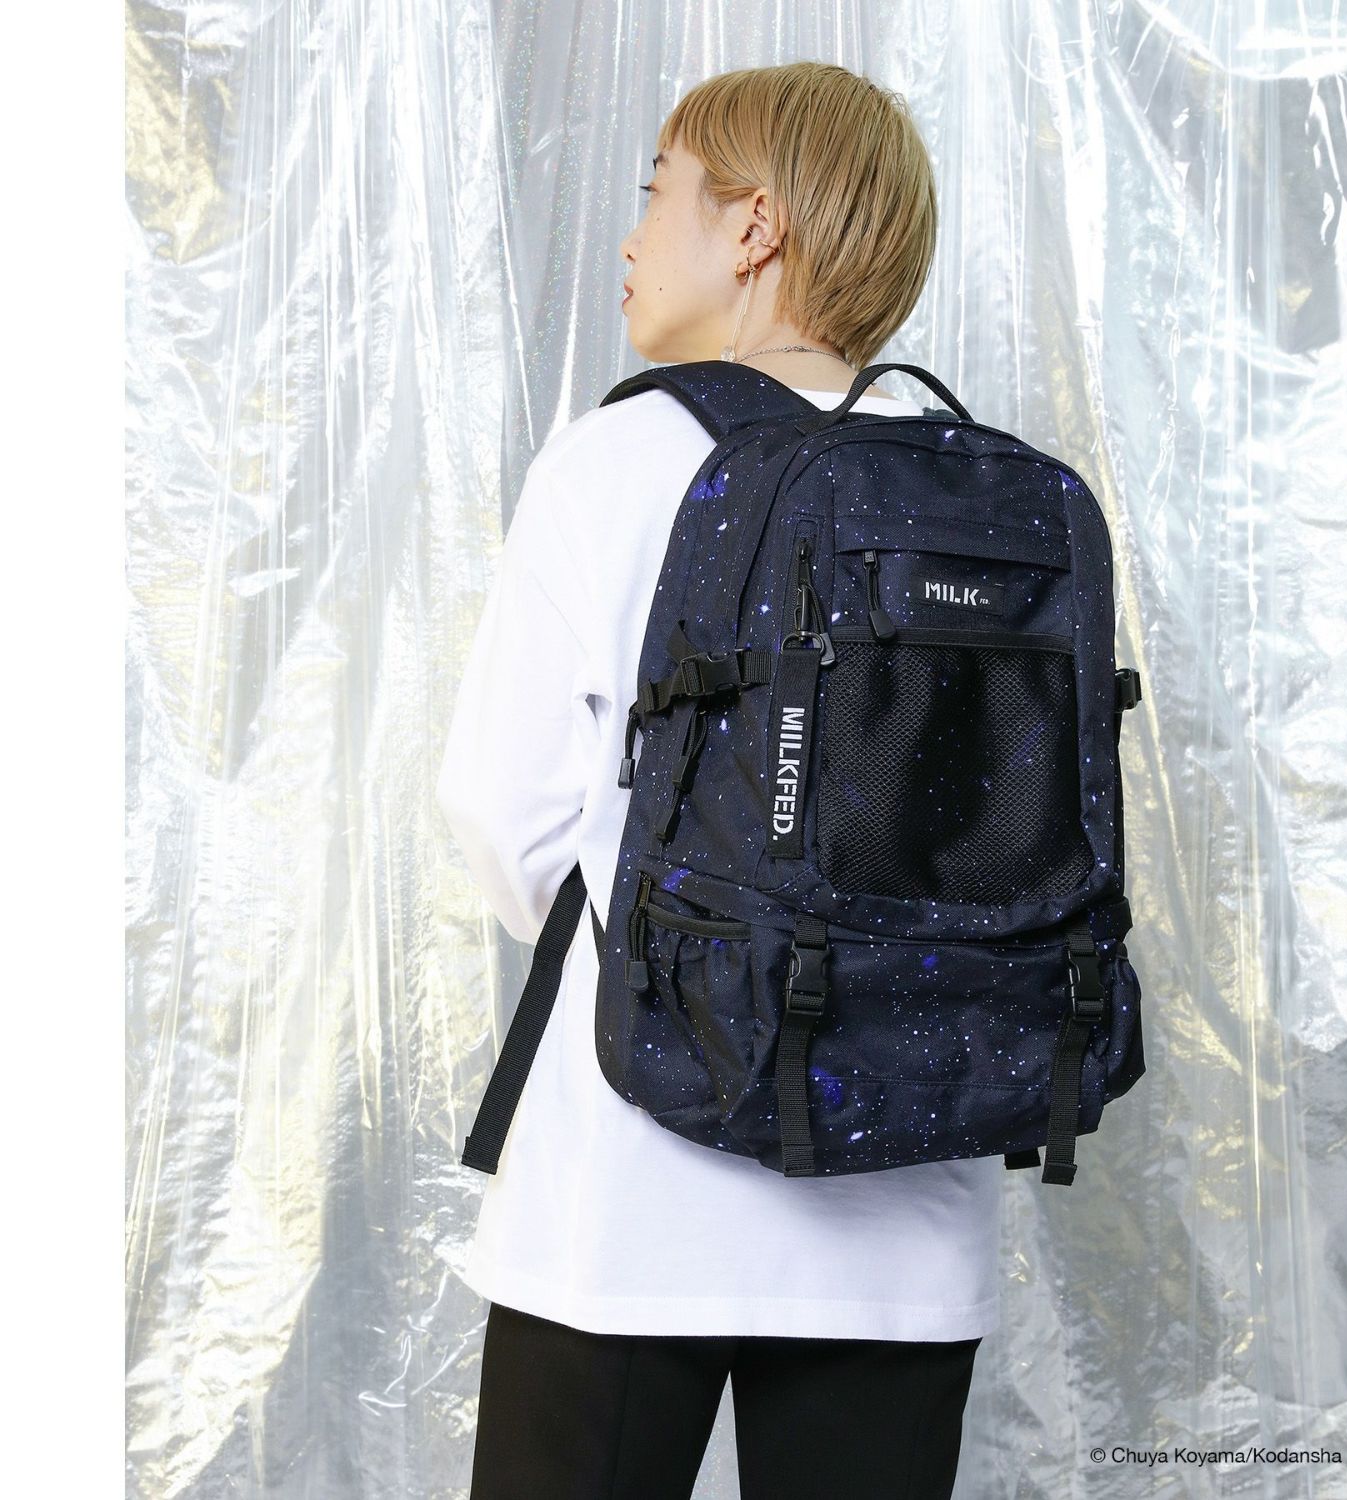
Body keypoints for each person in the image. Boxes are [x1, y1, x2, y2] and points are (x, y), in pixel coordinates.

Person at [437, 61, 997, 1500]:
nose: (632, 237)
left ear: (753, 227)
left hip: (628, 1200)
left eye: (657, 193)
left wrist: (687, 956)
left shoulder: (612, 460)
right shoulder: (984, 496)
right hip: (908, 1212)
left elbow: (504, 821)